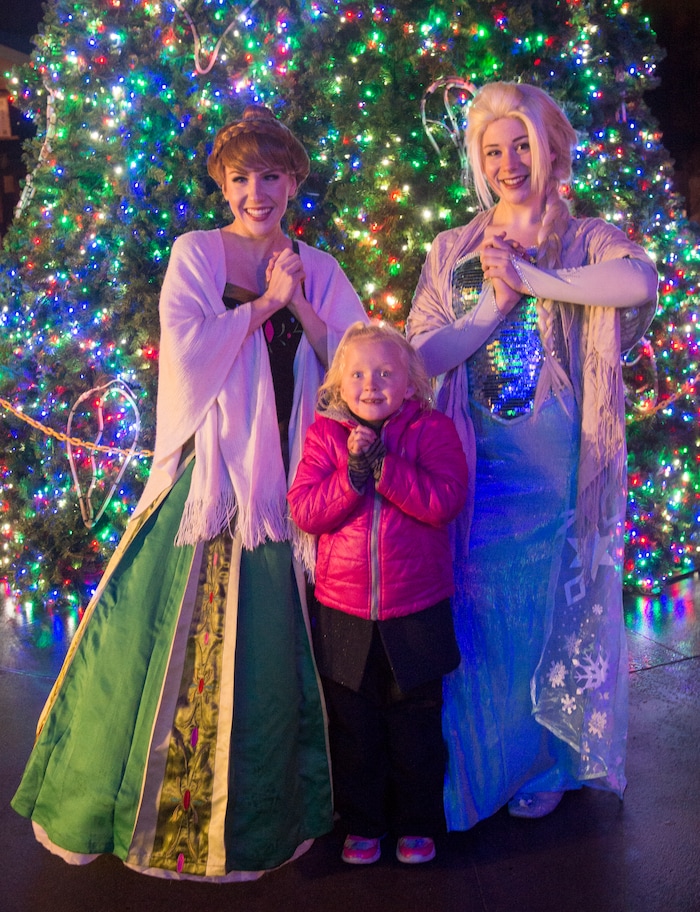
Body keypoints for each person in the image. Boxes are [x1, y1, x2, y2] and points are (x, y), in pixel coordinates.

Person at [11, 105, 368, 881]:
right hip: (214, 477)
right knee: (160, 641)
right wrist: (267, 306)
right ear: (223, 185)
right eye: (241, 178)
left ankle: (270, 811)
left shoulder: (324, 266)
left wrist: (297, 297)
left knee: (279, 653)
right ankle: (147, 809)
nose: (256, 191)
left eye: (270, 175)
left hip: (295, 480)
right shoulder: (198, 252)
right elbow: (186, 349)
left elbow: (356, 366)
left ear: (293, 179)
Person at [406, 81, 658, 828]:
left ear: (549, 148)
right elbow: (423, 354)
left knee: (544, 612)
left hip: (555, 469)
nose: (510, 162)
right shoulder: (453, 247)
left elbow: (638, 280)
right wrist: (493, 306)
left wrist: (535, 278)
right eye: (493, 150)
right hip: (477, 464)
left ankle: (544, 760)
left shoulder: (585, 238)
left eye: (523, 145)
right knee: (482, 612)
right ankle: (484, 763)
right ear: (478, 162)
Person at [287, 321, 468, 865]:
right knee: (355, 726)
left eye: (386, 373)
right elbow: (306, 511)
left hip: (416, 607)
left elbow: (443, 501)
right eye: (358, 373)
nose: (371, 384)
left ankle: (418, 822)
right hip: (344, 610)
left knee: (416, 723)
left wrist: (384, 468)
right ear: (339, 385)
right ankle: (363, 822)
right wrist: (353, 473)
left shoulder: (432, 430)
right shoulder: (324, 437)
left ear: (410, 383)